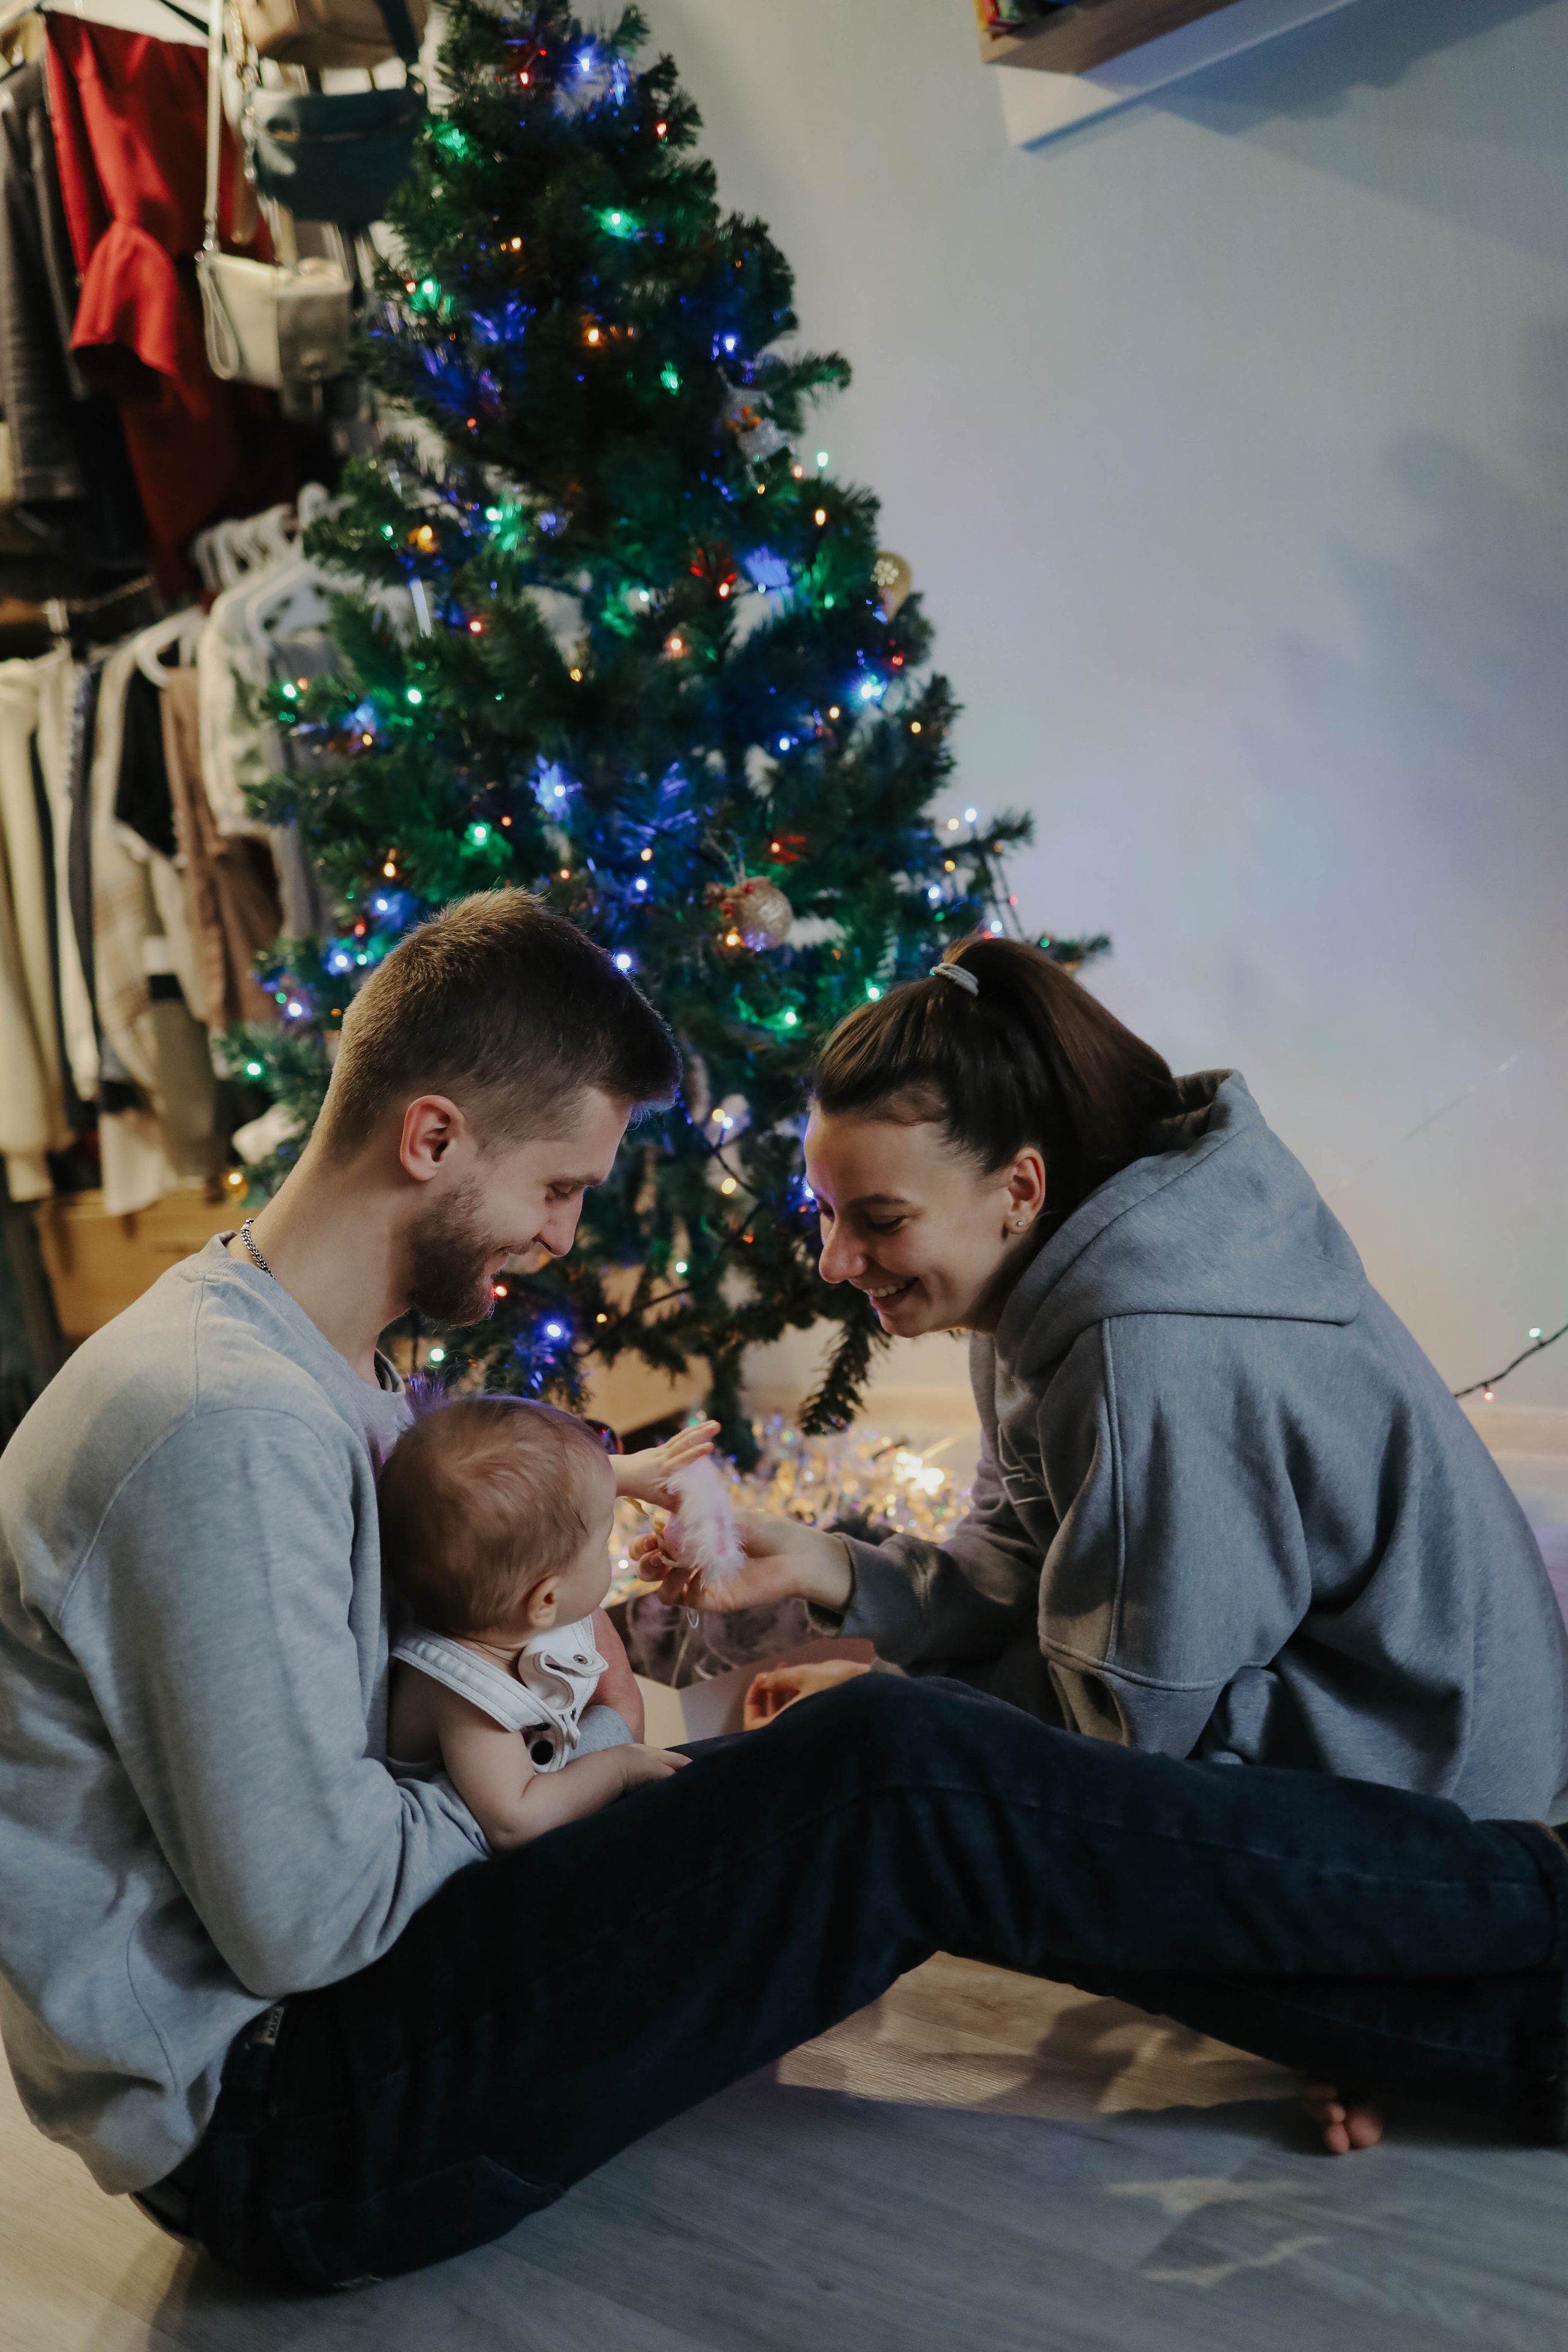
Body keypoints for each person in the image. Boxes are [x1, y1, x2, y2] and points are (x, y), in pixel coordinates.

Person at [1, 889, 1564, 2296]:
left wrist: (627, 1715)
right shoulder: (216, 1420)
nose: (561, 1237)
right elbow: (311, 1914)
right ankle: (1535, 1905)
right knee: (891, 1777)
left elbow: (383, 1716)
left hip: (352, 2022)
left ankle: (1513, 2010)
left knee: (886, 1774)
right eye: (557, 1186)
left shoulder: (310, 1364)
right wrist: (598, 1773)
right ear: (431, 1139)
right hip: (287, 2121)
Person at [643, 935, 1568, 1823]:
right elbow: (1022, 1552)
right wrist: (836, 1569)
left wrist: (882, 1702)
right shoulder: (1035, 1276)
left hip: (1444, 1812)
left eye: (881, 1220)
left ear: (1019, 1190)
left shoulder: (1148, 1357)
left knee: (867, 1803)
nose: (835, 1261)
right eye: (827, 1212)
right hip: (1366, 1740)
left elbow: (1114, 1738)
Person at [380, 1397, 715, 1842]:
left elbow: (531, 1502)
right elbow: (515, 1820)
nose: (609, 1550)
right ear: (547, 1599)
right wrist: (618, 1768)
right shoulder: (467, 1692)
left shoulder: (496, 1609)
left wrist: (626, 1475)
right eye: (604, 1543)